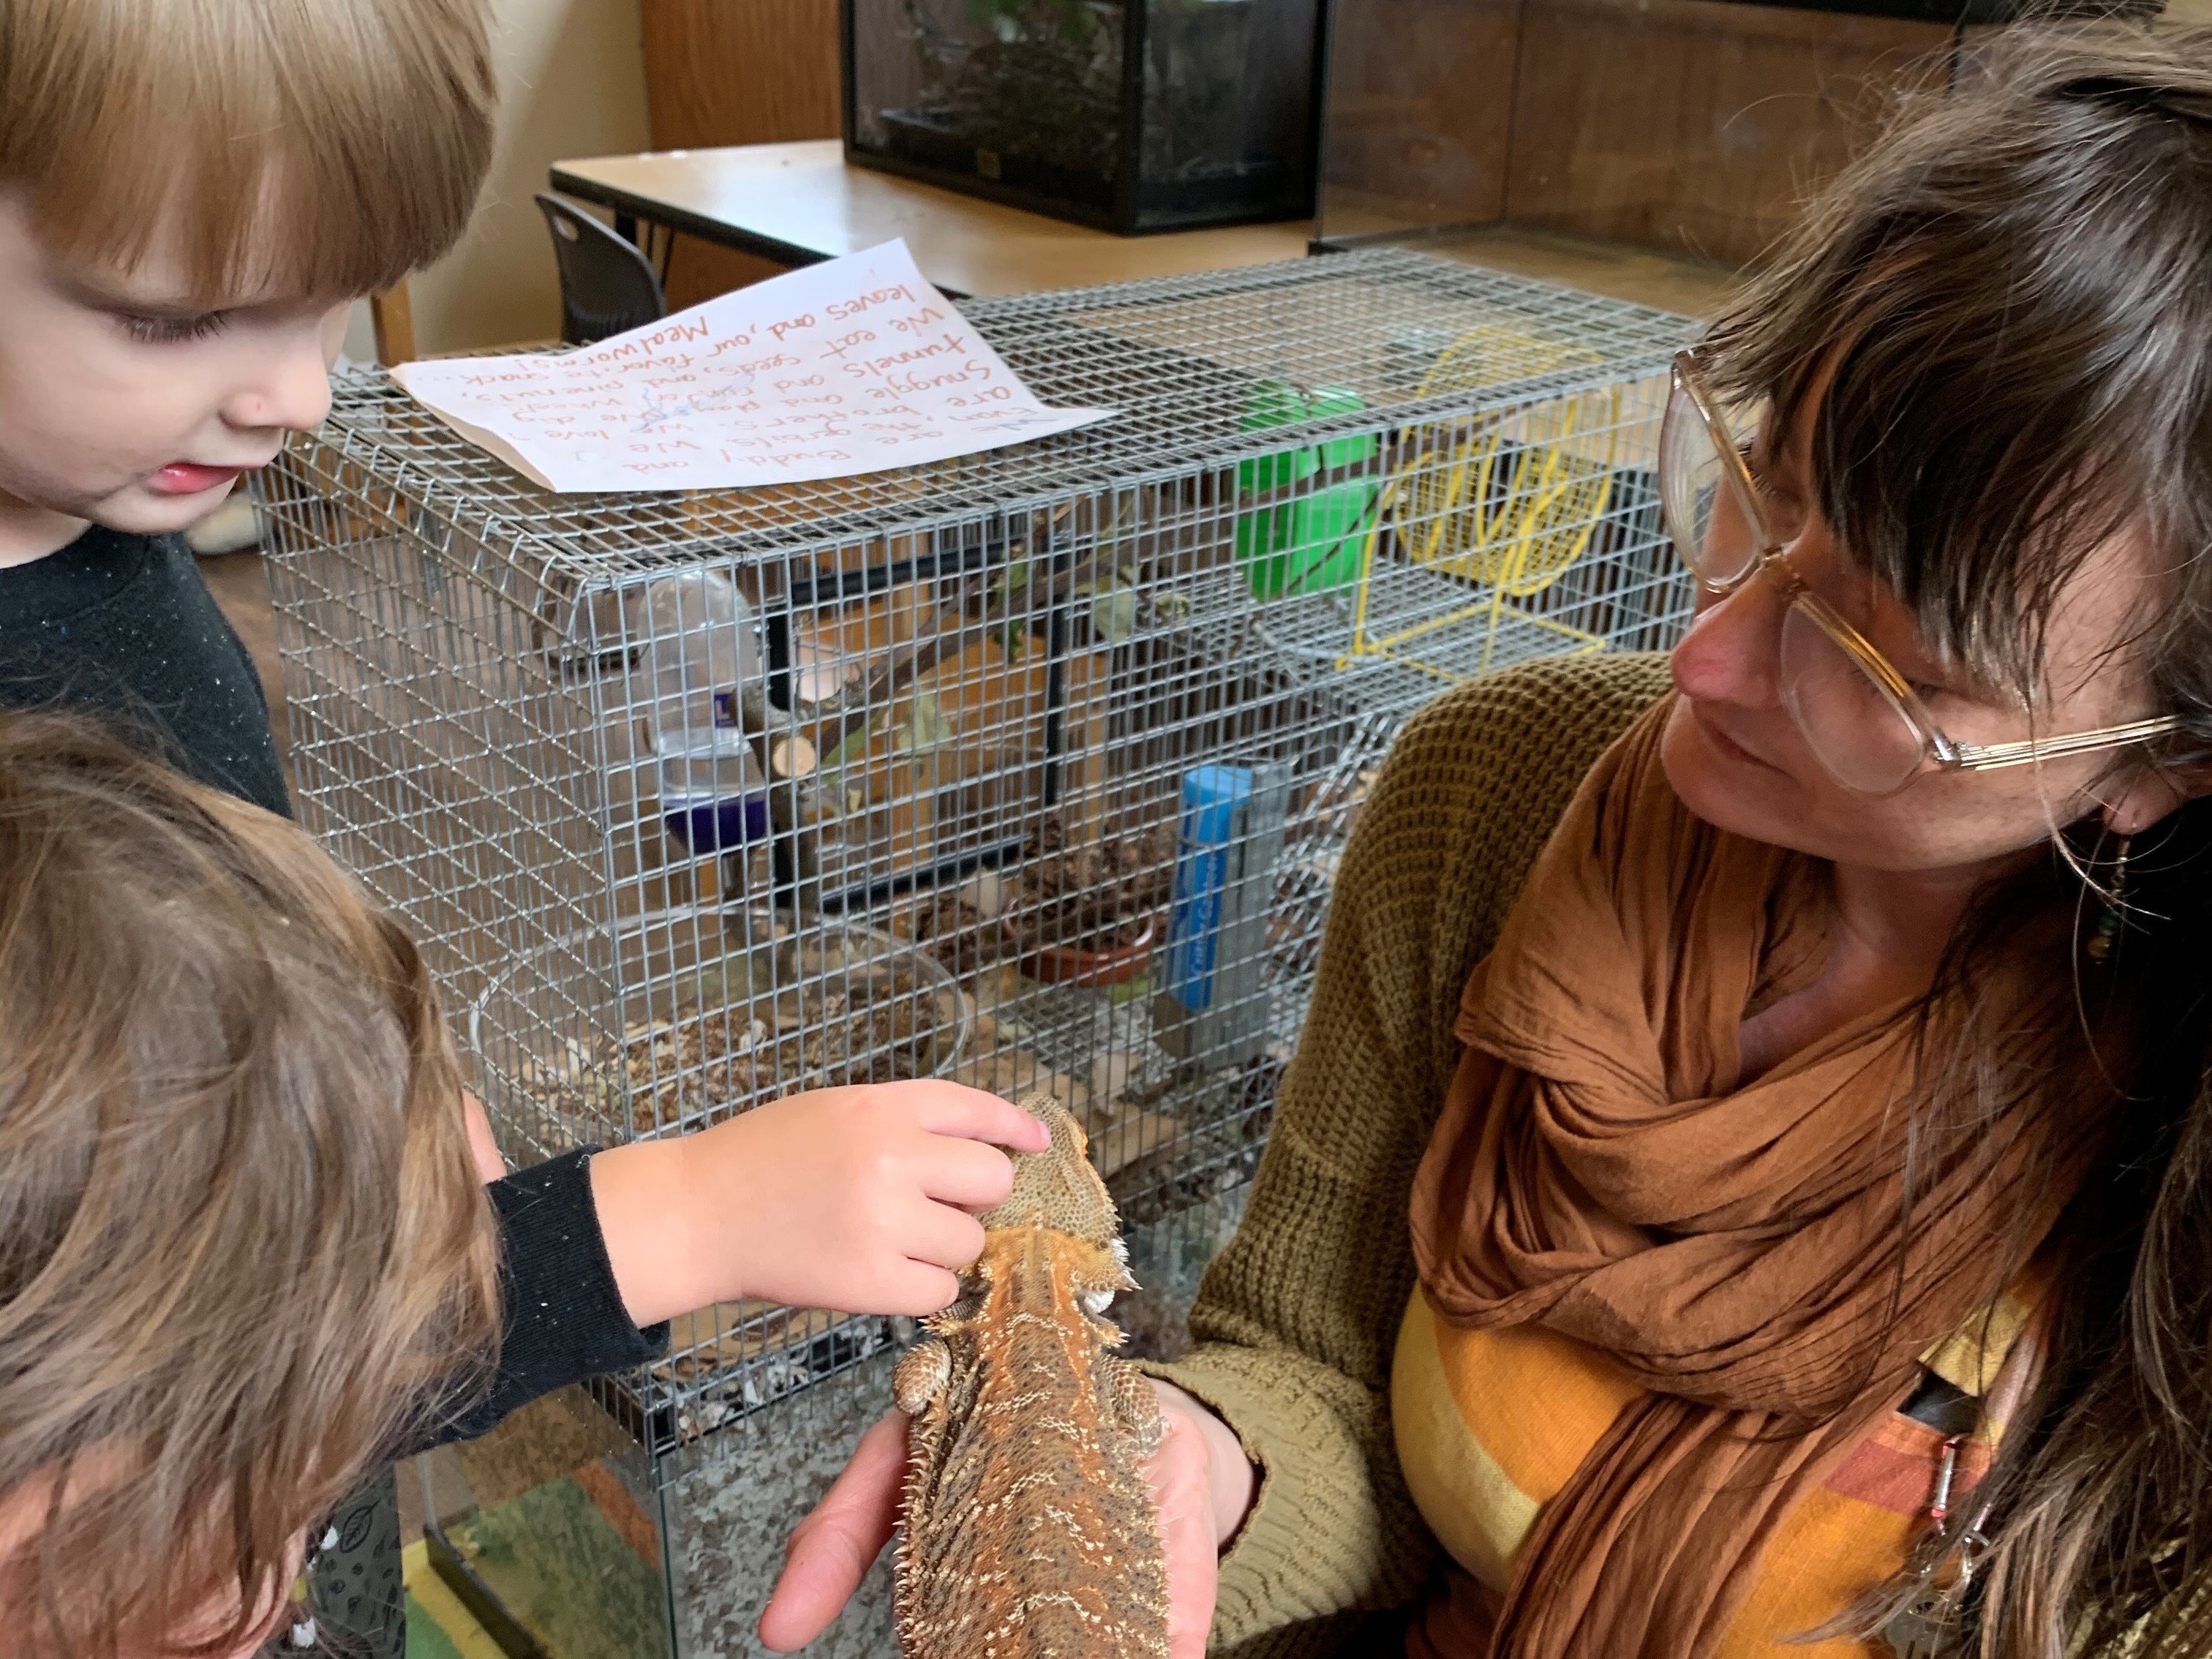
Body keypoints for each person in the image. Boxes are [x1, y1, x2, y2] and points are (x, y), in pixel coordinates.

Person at [764, 23, 2212, 1659]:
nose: (1707, 658)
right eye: (1758, 489)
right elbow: (1309, 1367)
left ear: (2166, 764)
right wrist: (1200, 1460)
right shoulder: (1495, 795)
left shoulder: (2164, 1158)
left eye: (1892, 665)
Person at [0, 0, 1047, 1649]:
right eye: (180, 314)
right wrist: (685, 1210)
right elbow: (217, 1374)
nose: (301, 395)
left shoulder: (94, 519)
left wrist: (376, 1077)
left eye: (335, 299)